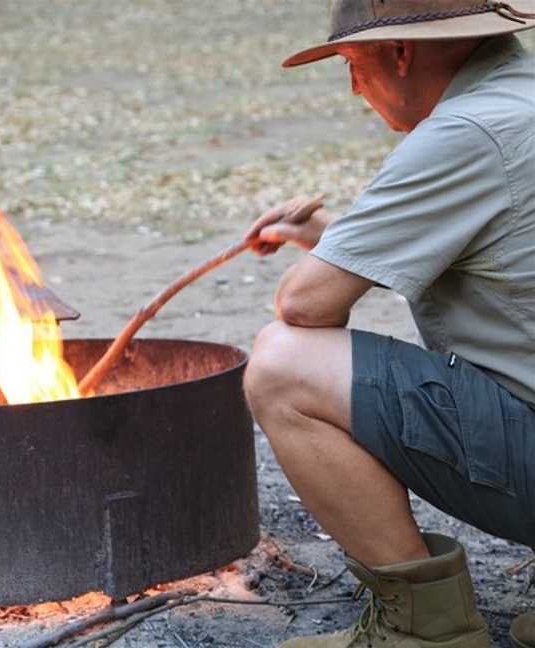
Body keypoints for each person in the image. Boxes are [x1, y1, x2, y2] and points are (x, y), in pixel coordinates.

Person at [243, 1, 535, 646]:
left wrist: (328, 260)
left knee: (283, 364)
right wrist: (334, 239)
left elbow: (303, 308)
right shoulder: (522, 102)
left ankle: (425, 629)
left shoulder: (468, 131)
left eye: (353, 64)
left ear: (400, 52)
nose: (353, 88)